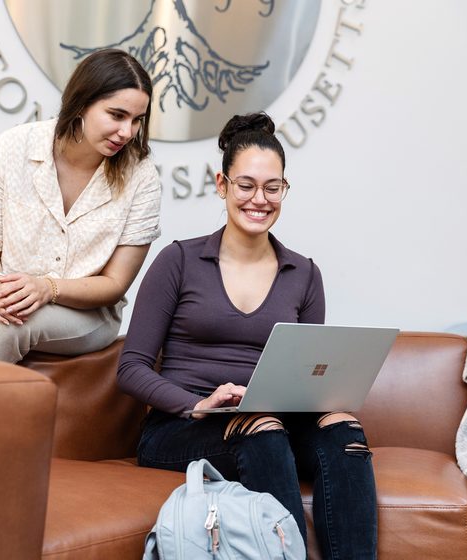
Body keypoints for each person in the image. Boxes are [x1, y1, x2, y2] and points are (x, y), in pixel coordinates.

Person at [117, 112, 376, 559]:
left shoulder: (304, 273)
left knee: (345, 432)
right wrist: (196, 405)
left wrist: (326, 398)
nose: (260, 199)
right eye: (246, 185)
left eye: (273, 187)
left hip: (270, 424)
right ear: (222, 185)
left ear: (284, 190)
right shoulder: (177, 261)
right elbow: (131, 367)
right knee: (261, 429)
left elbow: (309, 373)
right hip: (183, 426)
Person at [0, 48, 161, 363]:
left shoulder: (141, 177)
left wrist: (47, 288)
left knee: (11, 324)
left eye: (137, 120)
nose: (127, 132)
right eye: (116, 115)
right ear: (81, 103)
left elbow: (114, 284)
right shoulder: (13, 147)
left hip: (85, 314)